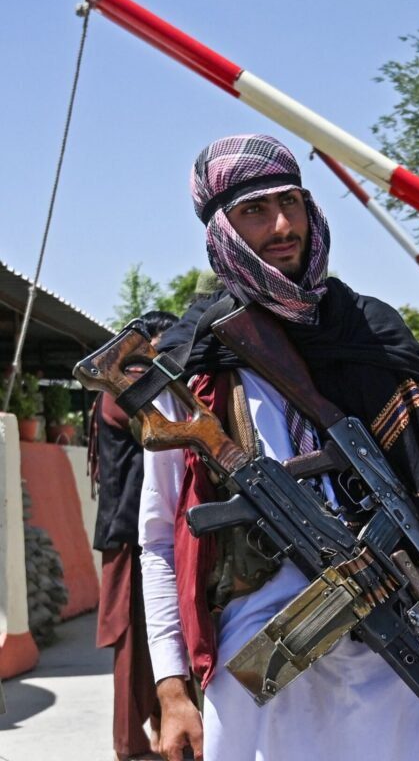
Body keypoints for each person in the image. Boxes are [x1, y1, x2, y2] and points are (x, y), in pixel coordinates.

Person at [138, 134, 419, 760]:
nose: (282, 225)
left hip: (402, 650)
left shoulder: (375, 335)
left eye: (291, 202)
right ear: (221, 230)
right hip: (264, 677)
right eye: (254, 211)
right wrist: (171, 687)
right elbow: (160, 539)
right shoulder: (192, 372)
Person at [90, 309, 178, 761]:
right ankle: (131, 744)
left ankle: (159, 732)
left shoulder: (125, 381)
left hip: (132, 526)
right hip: (132, 530)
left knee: (154, 638)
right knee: (132, 638)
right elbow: (156, 429)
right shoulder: (128, 383)